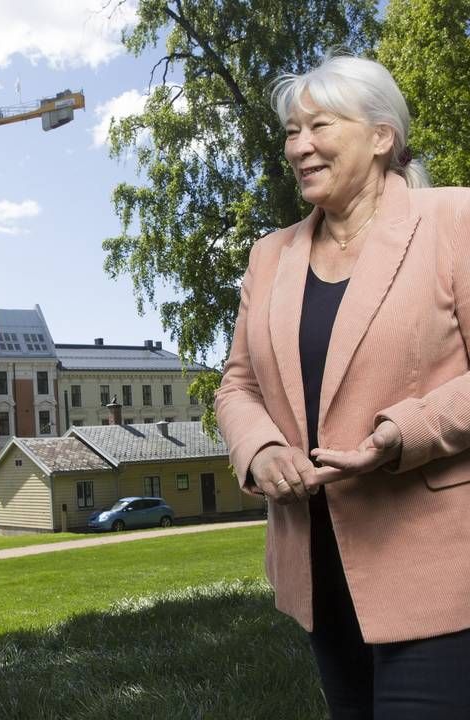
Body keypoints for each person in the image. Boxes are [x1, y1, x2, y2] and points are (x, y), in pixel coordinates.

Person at [215, 54, 470, 718]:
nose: (299, 147)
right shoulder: (269, 255)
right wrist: (262, 451)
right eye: (290, 133)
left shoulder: (454, 221)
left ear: (381, 135)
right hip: (319, 572)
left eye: (318, 126)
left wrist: (399, 434)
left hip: (443, 568)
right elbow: (237, 385)